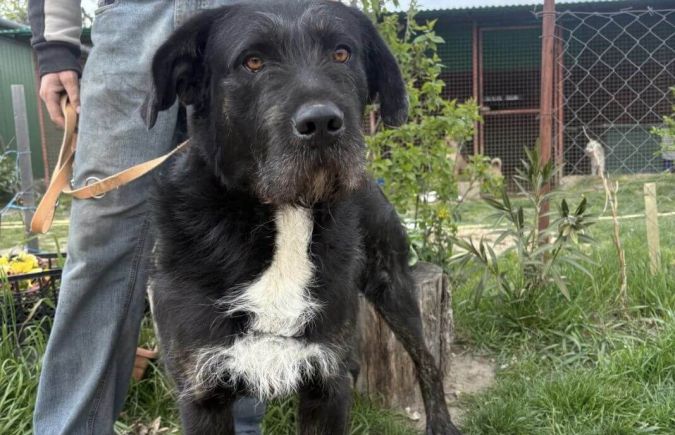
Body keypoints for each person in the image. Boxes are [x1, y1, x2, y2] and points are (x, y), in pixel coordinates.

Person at [27, 1, 265, 433]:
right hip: (134, 18)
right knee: (99, 246)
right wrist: (55, 46)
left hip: (249, 22)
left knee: (244, 245)